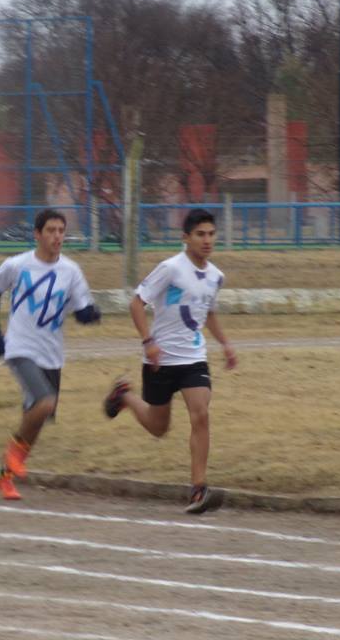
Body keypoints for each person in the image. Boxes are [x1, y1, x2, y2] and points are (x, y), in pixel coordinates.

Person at [103, 208, 238, 514]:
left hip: (194, 358)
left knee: (200, 414)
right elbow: (136, 303)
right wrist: (148, 341)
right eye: (200, 234)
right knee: (158, 427)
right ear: (186, 238)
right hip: (160, 360)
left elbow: (208, 312)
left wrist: (226, 345)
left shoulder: (216, 276)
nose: (207, 240)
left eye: (211, 234)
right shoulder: (170, 269)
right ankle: (124, 396)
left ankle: (198, 489)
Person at [0, 208, 101, 501]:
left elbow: (81, 307)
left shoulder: (71, 270)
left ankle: (5, 475)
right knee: (44, 403)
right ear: (37, 234)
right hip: (20, 347)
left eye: (61, 231)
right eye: (51, 230)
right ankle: (13, 457)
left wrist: (89, 314)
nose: (57, 236)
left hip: (52, 353)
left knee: (35, 420)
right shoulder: (17, 265)